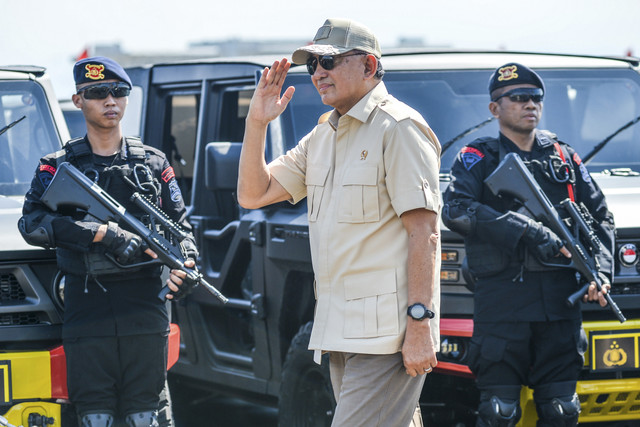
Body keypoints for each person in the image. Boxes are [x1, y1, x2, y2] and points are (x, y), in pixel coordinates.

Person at [237, 18, 441, 427]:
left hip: (387, 337)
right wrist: (257, 122)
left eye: (328, 61)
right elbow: (253, 194)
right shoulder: (323, 136)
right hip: (340, 331)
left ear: (368, 66)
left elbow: (425, 234)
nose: (317, 73)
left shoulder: (398, 127)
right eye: (312, 63)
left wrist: (420, 325)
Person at [18, 56, 196, 427]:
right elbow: (32, 224)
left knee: (146, 415)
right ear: (79, 100)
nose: (110, 101)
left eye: (119, 92)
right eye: (98, 93)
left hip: (146, 307)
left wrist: (188, 266)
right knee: (94, 415)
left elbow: (181, 227)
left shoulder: (151, 163)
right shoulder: (58, 166)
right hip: (88, 307)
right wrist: (102, 234)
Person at [442, 63, 615, 426]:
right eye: (518, 98)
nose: (529, 105)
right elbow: (455, 210)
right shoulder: (478, 158)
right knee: (499, 412)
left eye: (535, 98)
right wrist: (527, 231)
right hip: (504, 305)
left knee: (562, 410)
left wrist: (600, 270)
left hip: (559, 304)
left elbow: (602, 218)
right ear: (495, 108)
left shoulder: (564, 157)